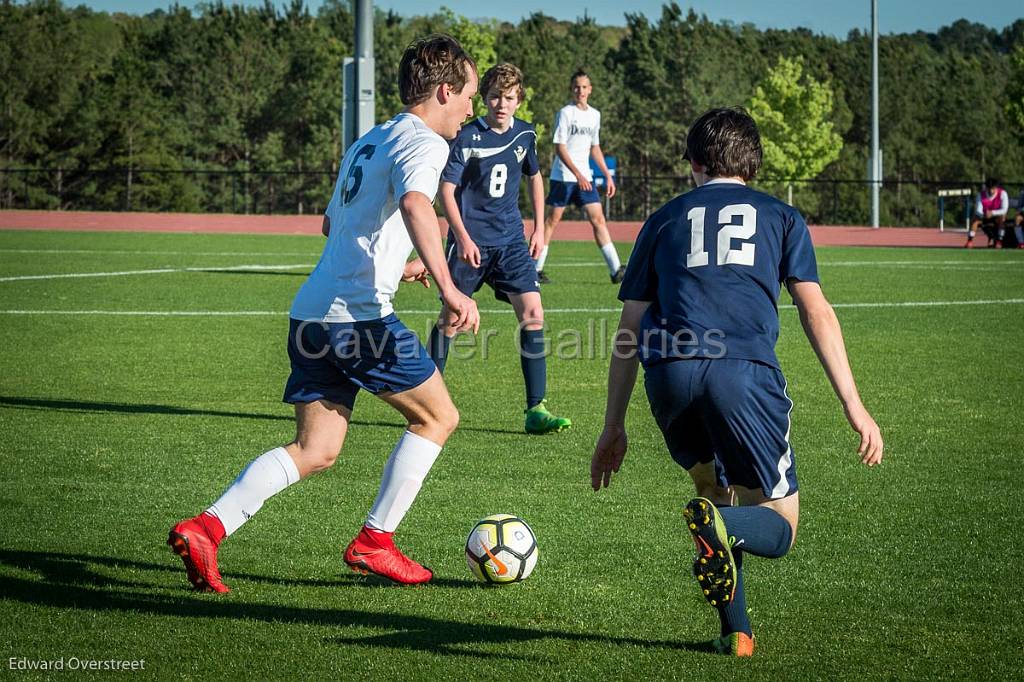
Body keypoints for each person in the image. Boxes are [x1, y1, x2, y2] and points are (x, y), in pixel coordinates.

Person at [167, 34, 481, 591]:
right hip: (357, 321)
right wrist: (451, 288)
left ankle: (206, 528)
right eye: (469, 97)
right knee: (438, 417)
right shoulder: (427, 141)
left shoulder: (371, 140)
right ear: (444, 89)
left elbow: (335, 226)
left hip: (311, 314)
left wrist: (400, 266)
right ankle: (375, 542)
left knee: (316, 450)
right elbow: (414, 204)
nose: (471, 110)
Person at [590, 107, 883, 656]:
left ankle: (736, 631)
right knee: (776, 521)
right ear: (753, 161)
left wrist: (613, 424)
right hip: (743, 374)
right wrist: (854, 403)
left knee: (713, 494)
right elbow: (814, 310)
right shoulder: (781, 216)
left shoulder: (663, 218)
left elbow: (629, 328)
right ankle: (728, 549)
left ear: (695, 163)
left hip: (669, 374)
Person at [427, 63, 571, 434]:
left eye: (508, 98)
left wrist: (539, 227)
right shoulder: (466, 136)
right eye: (493, 96)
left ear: (518, 100)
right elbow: (446, 191)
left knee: (533, 313)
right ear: (484, 98)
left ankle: (536, 409)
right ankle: (426, 397)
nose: (500, 104)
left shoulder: (525, 135)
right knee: (451, 320)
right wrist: (462, 236)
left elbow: (535, 177)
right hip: (469, 243)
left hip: (510, 242)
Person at [534, 69, 622, 284]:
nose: (580, 90)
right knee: (552, 221)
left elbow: (595, 148)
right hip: (564, 177)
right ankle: (535, 270)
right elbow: (559, 148)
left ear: (590, 90)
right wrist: (577, 174)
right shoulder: (565, 113)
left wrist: (607, 177)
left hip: (586, 178)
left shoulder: (595, 115)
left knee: (599, 219)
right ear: (571, 90)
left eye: (584, 87)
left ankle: (616, 270)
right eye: (576, 87)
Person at [965, 179, 1009, 248]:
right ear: (986, 188)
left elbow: (1004, 210)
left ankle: (999, 241)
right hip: (984, 216)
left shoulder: (1003, 193)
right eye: (989, 189)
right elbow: (978, 210)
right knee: (975, 219)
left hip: (997, 216)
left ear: (996, 188)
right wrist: (985, 214)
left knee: (1003, 218)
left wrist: (992, 213)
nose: (991, 191)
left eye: (993, 189)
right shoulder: (980, 195)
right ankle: (969, 241)